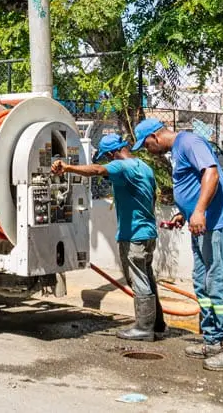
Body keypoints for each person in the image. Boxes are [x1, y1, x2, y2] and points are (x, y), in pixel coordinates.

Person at [132, 118, 223, 371]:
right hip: (203, 226)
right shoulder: (179, 150)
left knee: (218, 284)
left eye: (146, 145)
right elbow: (194, 184)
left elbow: (211, 173)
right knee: (202, 284)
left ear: (155, 137)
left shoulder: (189, 142)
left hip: (219, 224)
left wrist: (199, 211)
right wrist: (184, 214)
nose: (148, 150)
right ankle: (213, 340)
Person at [52, 134, 165, 342]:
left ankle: (144, 328)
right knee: (147, 277)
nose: (107, 161)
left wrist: (67, 168)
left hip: (133, 234)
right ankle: (157, 323)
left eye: (107, 157)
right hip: (148, 232)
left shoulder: (121, 166)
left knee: (138, 279)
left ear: (113, 154)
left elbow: (97, 170)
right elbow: (153, 197)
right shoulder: (144, 167)